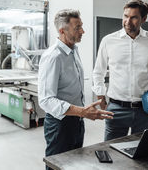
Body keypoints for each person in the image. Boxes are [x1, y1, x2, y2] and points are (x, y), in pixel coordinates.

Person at [92, 0, 148, 141]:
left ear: (143, 19)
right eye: (125, 16)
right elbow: (98, 72)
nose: (128, 21)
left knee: (141, 155)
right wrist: (100, 96)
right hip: (115, 108)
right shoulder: (108, 41)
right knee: (111, 153)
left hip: (145, 110)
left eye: (133, 17)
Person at [38, 9, 113, 169]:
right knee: (57, 166)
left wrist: (81, 114)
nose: (83, 31)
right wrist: (82, 112)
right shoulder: (53, 57)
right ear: (62, 31)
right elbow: (46, 100)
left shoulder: (73, 51)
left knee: (74, 165)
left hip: (76, 121)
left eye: (81, 26)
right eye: (77, 27)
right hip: (60, 125)